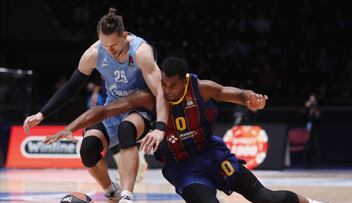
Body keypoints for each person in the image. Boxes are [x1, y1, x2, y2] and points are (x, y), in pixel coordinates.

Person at [45, 57, 326, 203]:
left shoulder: (199, 87)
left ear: (184, 80)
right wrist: (70, 127)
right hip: (184, 169)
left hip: (212, 155)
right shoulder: (151, 97)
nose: (167, 89)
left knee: (266, 199)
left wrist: (252, 98)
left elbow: (234, 93)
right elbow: (104, 111)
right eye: (164, 84)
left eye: (173, 85)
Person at [23, 8, 168, 203]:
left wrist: (160, 127)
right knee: (88, 149)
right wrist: (42, 114)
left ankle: (127, 196)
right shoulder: (94, 53)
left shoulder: (141, 51)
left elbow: (160, 92)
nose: (109, 50)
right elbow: (71, 88)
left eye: (114, 45)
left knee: (127, 130)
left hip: (140, 108)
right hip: (112, 107)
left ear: (125, 36)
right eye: (104, 45)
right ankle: (111, 191)